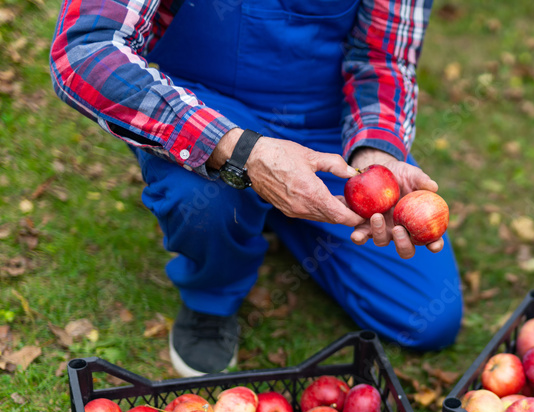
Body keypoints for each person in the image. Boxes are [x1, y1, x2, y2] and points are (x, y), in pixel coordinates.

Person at [50, 0, 463, 377]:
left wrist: (376, 154)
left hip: (325, 129)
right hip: (208, 112)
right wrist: (240, 150)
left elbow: (383, 58)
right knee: (204, 201)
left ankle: (282, 208)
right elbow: (85, 50)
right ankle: (211, 296)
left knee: (428, 318)